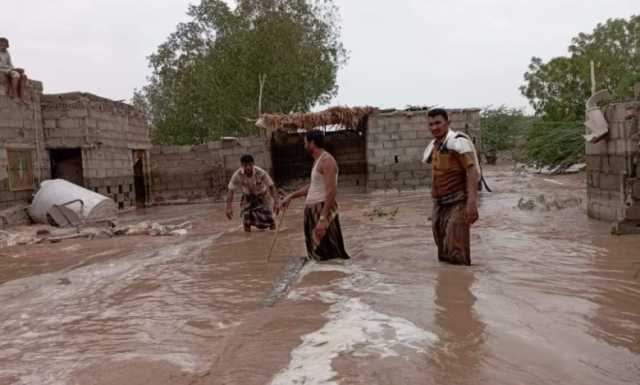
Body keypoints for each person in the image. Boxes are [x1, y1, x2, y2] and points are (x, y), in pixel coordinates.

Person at [422, 108, 480, 265]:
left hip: (458, 202)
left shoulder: (458, 142)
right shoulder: (434, 146)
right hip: (439, 204)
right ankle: (446, 286)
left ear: (448, 122)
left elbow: (471, 171)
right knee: (442, 250)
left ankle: (461, 286)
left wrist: (472, 203)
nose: (434, 127)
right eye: (431, 124)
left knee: (456, 249)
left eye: (438, 123)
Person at [281, 130, 350, 261]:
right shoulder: (317, 161)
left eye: (305, 143)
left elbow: (331, 191)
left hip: (321, 209)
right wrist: (291, 196)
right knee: (317, 254)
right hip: (313, 210)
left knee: (330, 254)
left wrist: (323, 219)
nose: (304, 146)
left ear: (312, 143)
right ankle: (320, 279)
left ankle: (335, 279)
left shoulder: (327, 160)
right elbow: (313, 186)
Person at [226, 154, 279, 232]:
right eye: (245, 165)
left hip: (262, 197)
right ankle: (247, 237)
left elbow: (271, 186)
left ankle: (272, 233)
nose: (248, 167)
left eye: (250, 165)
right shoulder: (237, 175)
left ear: (253, 164)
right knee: (246, 220)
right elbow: (230, 190)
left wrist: (276, 202)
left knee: (270, 219)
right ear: (242, 165)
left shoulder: (260, 172)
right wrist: (228, 207)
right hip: (247, 198)